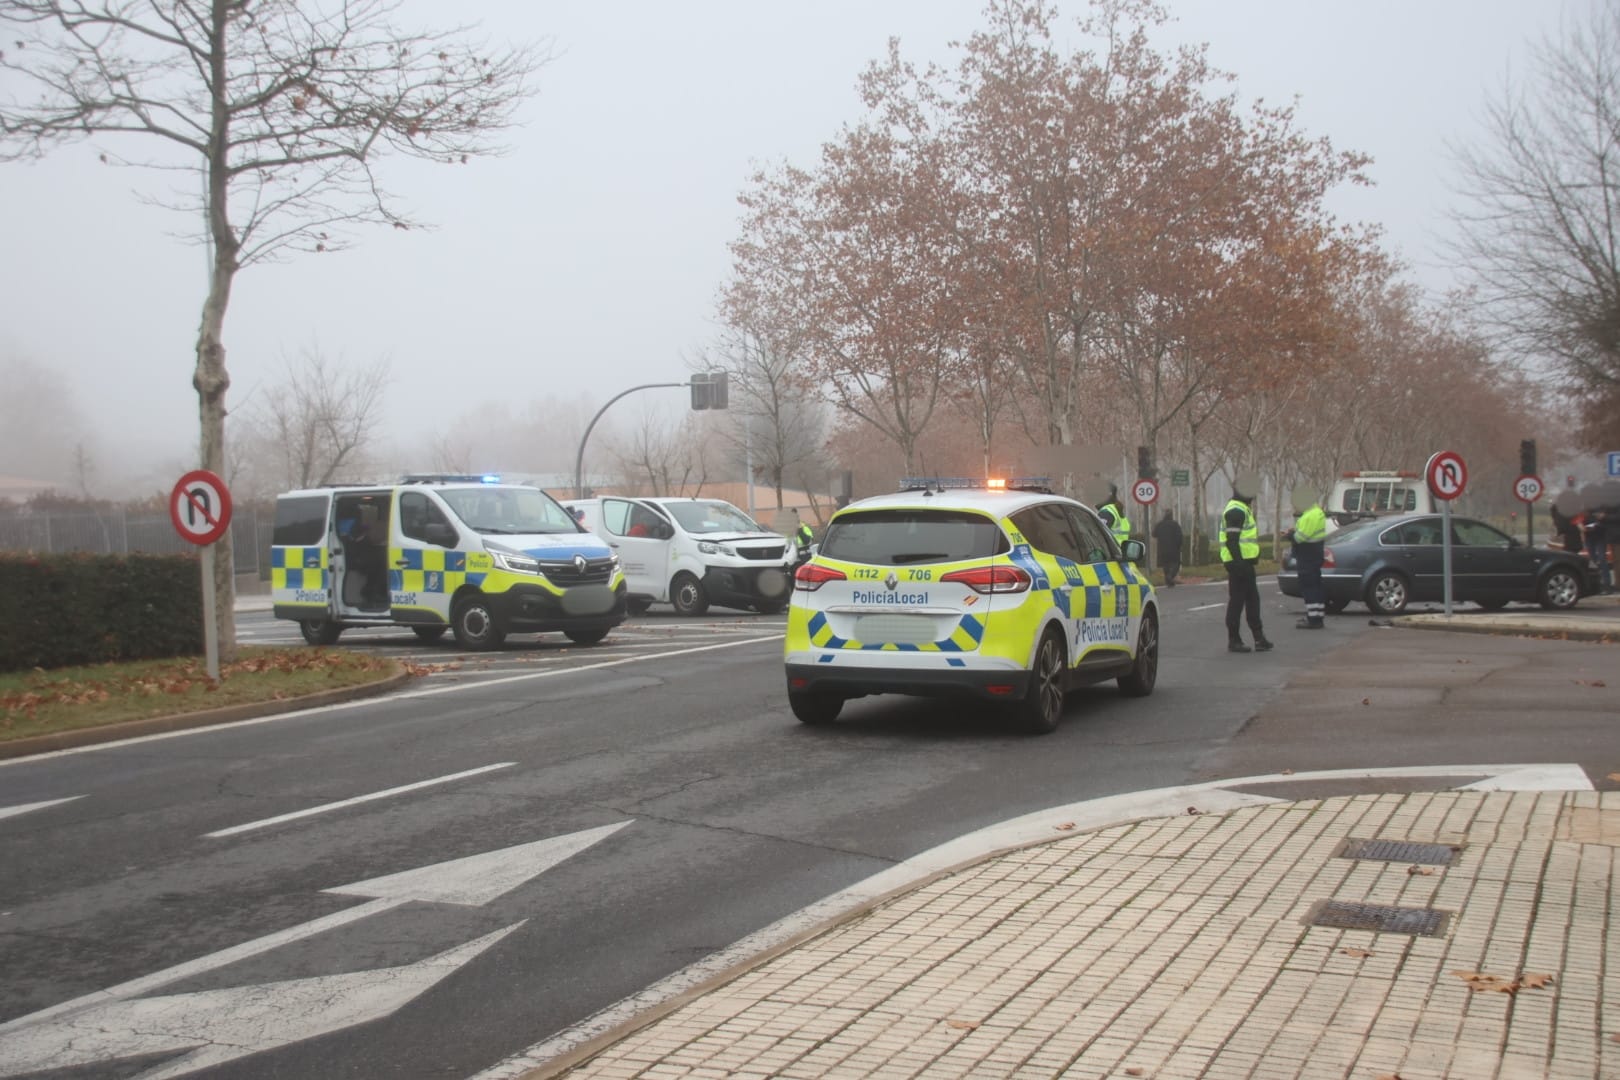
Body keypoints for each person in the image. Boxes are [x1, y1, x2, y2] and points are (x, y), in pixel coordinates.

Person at [1222, 477, 1273, 653]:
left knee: (1253, 600)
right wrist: (1238, 564)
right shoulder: (1236, 511)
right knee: (1237, 602)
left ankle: (1259, 638)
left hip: (1244, 562)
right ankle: (1234, 640)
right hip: (1239, 563)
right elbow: (1232, 541)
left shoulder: (1242, 508)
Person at [1285, 493, 1330, 629]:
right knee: (1316, 586)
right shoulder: (1317, 512)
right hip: (1315, 555)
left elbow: (1300, 538)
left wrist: (1290, 535)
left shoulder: (1309, 515)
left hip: (1307, 556)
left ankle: (1313, 619)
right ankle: (1318, 616)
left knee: (1309, 588)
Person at [1152, 509, 1183, 587]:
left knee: (1165, 565)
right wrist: (1179, 546)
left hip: (1162, 549)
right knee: (1176, 564)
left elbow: (1154, 534)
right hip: (1174, 549)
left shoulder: (1160, 524)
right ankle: (1171, 576)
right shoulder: (1175, 525)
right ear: (1172, 515)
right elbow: (1180, 537)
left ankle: (1168, 581)